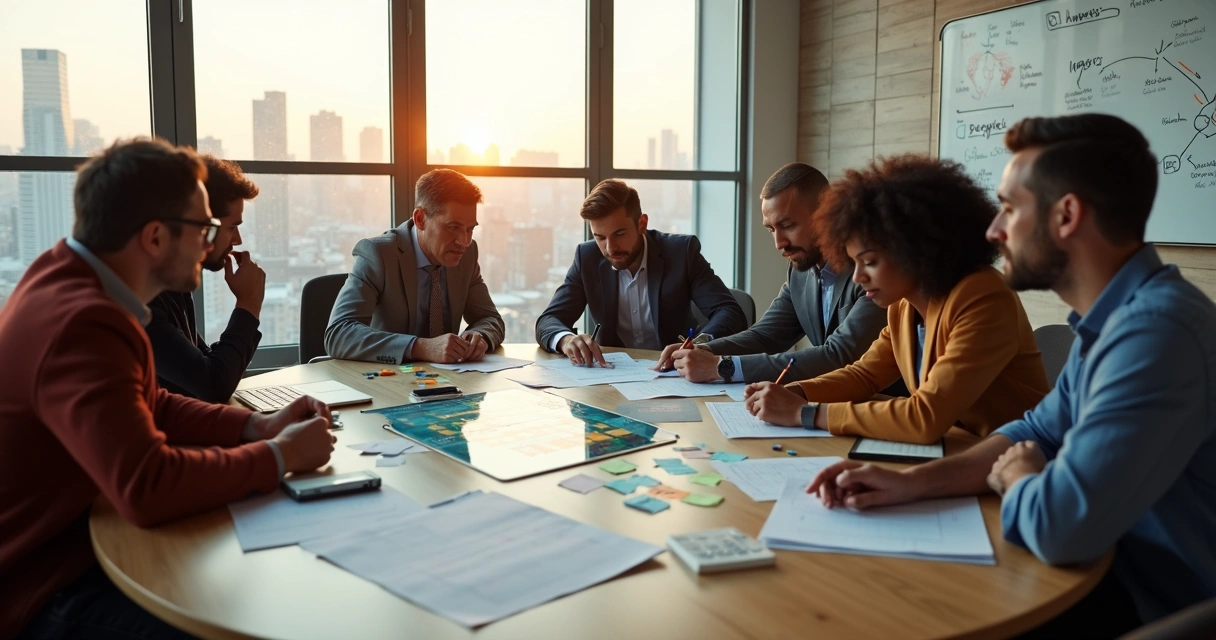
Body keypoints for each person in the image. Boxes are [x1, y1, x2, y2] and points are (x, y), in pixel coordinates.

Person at [808, 114, 1216, 634]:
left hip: (1153, 607)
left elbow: (1059, 526)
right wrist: (908, 483)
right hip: (1101, 573)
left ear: (1066, 215)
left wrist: (1018, 476)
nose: (993, 230)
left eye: (1009, 207)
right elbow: (1036, 430)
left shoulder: (1155, 335)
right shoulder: (1113, 322)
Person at [0, 139, 336, 639]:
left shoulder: (70, 279)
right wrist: (280, 455)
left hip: (78, 541)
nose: (211, 244)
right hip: (43, 584)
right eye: (203, 229)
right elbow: (147, 487)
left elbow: (150, 403)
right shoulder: (82, 322)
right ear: (155, 237)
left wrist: (255, 425)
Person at [745, 154, 1049, 444]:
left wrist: (805, 413)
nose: (857, 277)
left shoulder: (982, 295)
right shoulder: (903, 308)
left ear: (914, 249)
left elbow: (925, 416)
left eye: (870, 262)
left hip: (1017, 461)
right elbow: (864, 376)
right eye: (854, 262)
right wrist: (795, 392)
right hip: (953, 451)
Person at [654, 163, 889, 385]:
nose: (779, 243)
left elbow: (839, 355)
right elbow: (765, 335)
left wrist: (722, 367)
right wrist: (702, 350)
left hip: (886, 404)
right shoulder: (800, 273)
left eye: (788, 226)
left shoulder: (872, 274)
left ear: (826, 214)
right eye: (771, 229)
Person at [535, 179, 747, 366]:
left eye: (619, 234)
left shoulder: (681, 253)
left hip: (677, 373)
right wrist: (565, 340)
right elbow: (549, 320)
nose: (610, 248)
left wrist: (698, 345)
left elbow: (730, 312)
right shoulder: (587, 258)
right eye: (600, 237)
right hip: (613, 377)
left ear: (642, 224)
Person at [326, 168, 505, 364]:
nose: (464, 241)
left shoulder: (467, 254)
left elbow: (490, 319)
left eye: (470, 229)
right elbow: (339, 334)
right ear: (420, 219)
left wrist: (480, 336)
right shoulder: (378, 255)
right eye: (453, 227)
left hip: (449, 379)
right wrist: (420, 347)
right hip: (388, 378)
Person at [145, 154, 264, 403]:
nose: (237, 240)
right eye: (230, 228)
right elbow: (214, 385)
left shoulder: (174, 285)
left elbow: (205, 370)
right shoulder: (143, 300)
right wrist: (248, 304)